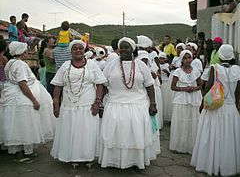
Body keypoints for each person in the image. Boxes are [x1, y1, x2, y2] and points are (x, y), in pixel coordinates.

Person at [98, 37, 160, 170]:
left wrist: (153, 103)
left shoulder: (141, 65)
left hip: (138, 104)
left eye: (127, 47)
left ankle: (136, 161)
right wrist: (99, 103)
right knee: (116, 135)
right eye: (122, 47)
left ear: (133, 49)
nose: (123, 49)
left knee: (135, 135)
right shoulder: (111, 65)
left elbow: (149, 85)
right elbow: (103, 85)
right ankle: (114, 160)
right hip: (115, 104)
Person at [50, 40, 107, 165]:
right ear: (71, 51)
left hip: (88, 105)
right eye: (74, 49)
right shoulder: (65, 66)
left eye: (80, 48)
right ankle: (72, 157)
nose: (78, 51)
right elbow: (58, 85)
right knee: (70, 131)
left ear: (84, 50)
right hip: (69, 105)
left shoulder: (91, 65)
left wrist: (98, 102)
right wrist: (55, 103)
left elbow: (100, 84)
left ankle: (88, 157)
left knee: (87, 131)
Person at [0, 41, 55, 163]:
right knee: (22, 125)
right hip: (21, 99)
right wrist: (34, 100)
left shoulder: (10, 62)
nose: (27, 53)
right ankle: (20, 154)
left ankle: (25, 150)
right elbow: (22, 84)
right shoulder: (20, 64)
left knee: (18, 124)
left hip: (13, 97)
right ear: (20, 53)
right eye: (25, 51)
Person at [191, 44, 240, 176]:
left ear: (220, 55)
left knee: (212, 135)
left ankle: (211, 162)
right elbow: (238, 92)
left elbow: (208, 87)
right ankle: (226, 165)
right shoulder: (237, 70)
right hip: (231, 108)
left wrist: (203, 104)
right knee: (228, 137)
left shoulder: (215, 68)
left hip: (215, 107)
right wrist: (236, 106)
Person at [169, 50, 202, 154]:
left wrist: (194, 88)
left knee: (193, 120)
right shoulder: (177, 71)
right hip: (181, 99)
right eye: (185, 58)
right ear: (182, 60)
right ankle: (180, 145)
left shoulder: (196, 71)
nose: (188, 60)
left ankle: (191, 145)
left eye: (189, 57)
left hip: (194, 98)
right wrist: (184, 89)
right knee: (181, 120)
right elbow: (173, 87)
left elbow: (200, 85)